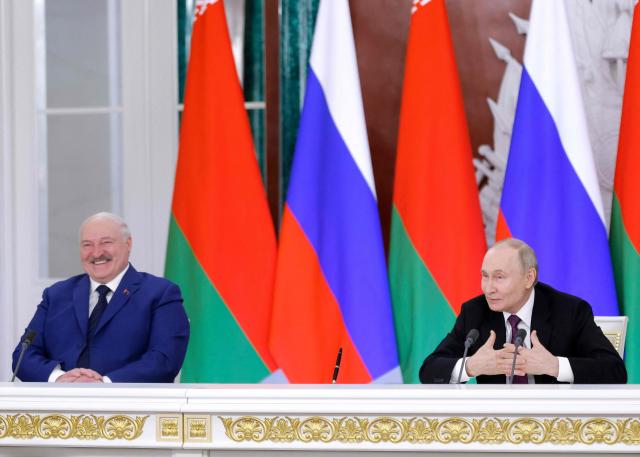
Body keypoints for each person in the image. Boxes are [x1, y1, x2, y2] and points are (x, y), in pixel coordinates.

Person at [12, 212, 190, 383]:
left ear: (128, 244)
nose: (96, 253)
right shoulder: (56, 295)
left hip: (131, 408)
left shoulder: (160, 294)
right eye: (87, 244)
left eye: (106, 242)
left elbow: (165, 360)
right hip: (59, 407)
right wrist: (60, 378)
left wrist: (104, 384)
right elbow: (23, 355)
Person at [419, 238, 627, 384]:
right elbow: (429, 369)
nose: (488, 288)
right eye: (485, 276)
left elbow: (614, 371)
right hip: (495, 429)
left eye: (499, 277)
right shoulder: (475, 312)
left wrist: (554, 366)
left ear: (529, 278)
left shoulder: (570, 311)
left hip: (560, 428)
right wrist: (471, 366)